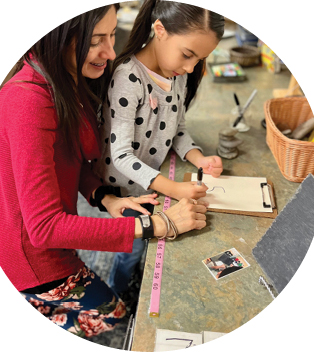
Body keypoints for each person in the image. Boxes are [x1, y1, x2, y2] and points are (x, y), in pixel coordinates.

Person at [0, 3, 208, 341]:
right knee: (114, 319)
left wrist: (104, 197)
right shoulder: (28, 102)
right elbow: (45, 229)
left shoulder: (65, 79)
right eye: (96, 40)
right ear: (59, 35)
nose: (111, 51)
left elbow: (70, 161)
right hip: (29, 253)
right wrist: (158, 224)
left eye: (111, 35)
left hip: (51, 239)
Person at [94, 0, 225, 295]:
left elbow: (177, 129)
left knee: (147, 245)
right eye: (188, 55)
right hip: (123, 190)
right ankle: (119, 293)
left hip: (151, 182)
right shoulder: (128, 77)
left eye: (199, 59)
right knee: (130, 248)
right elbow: (121, 156)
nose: (191, 67)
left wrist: (199, 157)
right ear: (160, 30)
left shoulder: (177, 73)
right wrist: (174, 189)